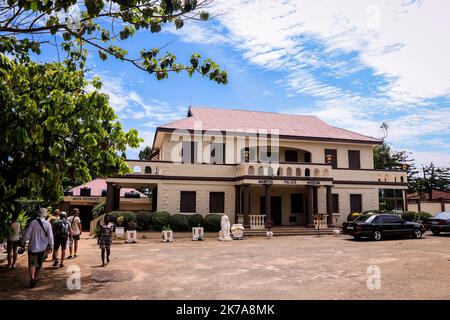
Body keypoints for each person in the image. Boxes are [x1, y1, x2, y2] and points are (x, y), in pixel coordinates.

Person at [22, 208, 53, 289]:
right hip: (43, 248)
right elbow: (50, 236)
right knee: (39, 264)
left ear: (38, 214)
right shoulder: (48, 224)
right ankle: (35, 278)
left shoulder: (33, 222)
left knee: (31, 264)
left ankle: (32, 278)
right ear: (45, 214)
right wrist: (51, 245)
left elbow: (27, 234)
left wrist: (23, 241)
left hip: (32, 247)